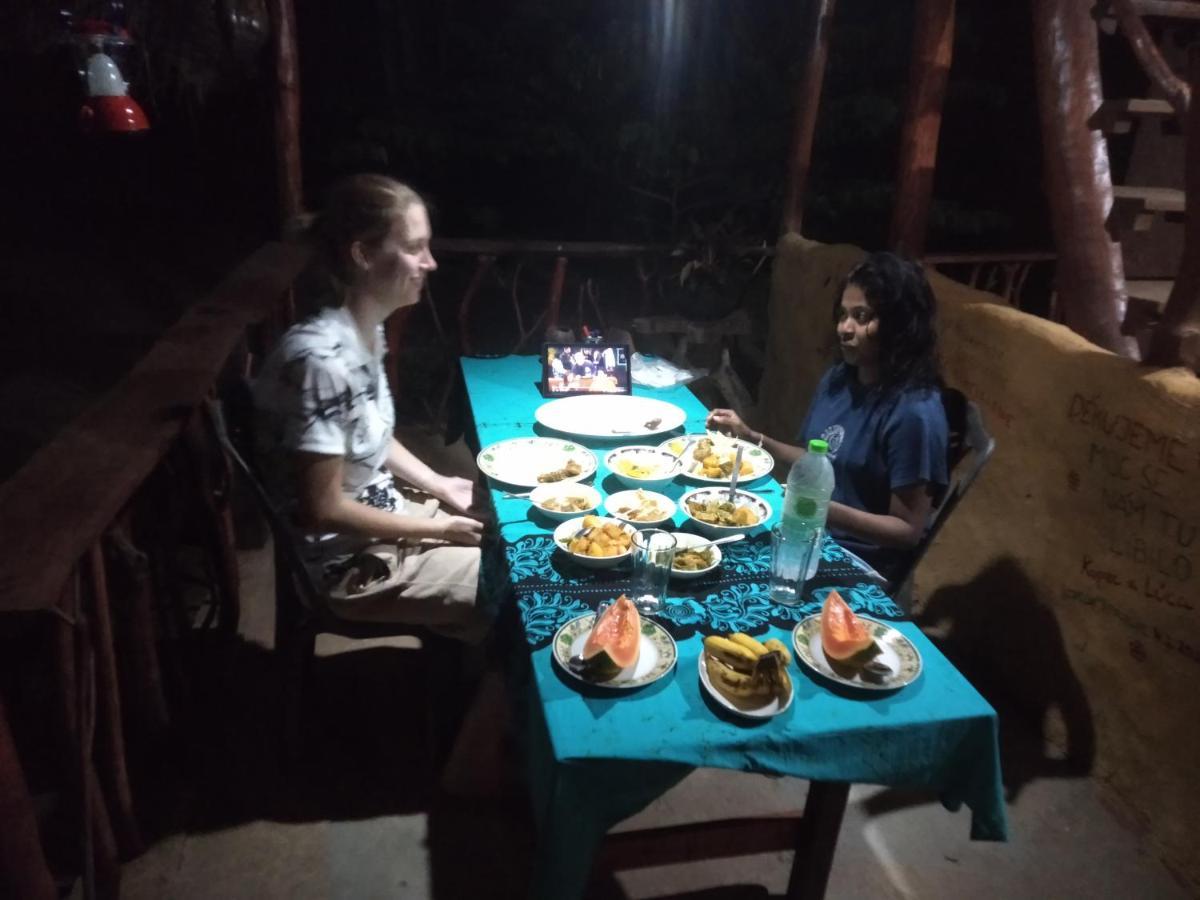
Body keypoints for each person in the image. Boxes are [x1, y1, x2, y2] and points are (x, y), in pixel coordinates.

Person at [252, 174, 491, 639]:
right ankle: (481, 704)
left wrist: (439, 483)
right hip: (346, 561)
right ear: (362, 254)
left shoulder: (365, 331)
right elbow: (322, 509)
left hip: (388, 515)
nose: (431, 262)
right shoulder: (320, 363)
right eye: (415, 248)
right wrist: (439, 533)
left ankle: (470, 679)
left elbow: (368, 437)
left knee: (519, 544)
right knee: (516, 595)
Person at [708, 252, 948, 582]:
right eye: (843, 315)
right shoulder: (840, 378)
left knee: (727, 577)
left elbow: (906, 530)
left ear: (900, 324)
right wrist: (752, 437)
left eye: (861, 317)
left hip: (857, 559)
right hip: (808, 531)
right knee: (707, 547)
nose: (844, 329)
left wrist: (816, 508)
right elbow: (818, 460)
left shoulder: (914, 412)